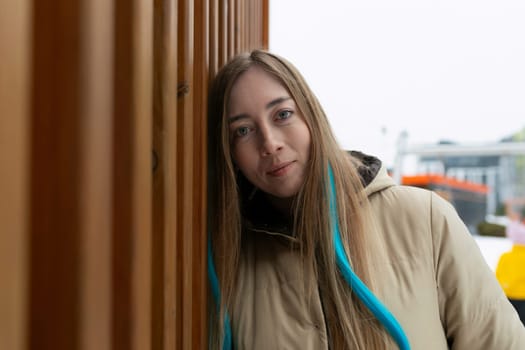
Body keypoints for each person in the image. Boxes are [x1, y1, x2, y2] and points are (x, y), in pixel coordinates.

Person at [206, 49, 525, 349]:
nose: (270, 143)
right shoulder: (228, 260)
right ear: (228, 152)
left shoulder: (426, 220)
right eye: (243, 131)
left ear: (312, 117)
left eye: (283, 114)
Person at [496, 213, 525, 326]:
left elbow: (497, 276)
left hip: (508, 297)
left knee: (511, 326)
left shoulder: (505, 257)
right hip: (523, 297)